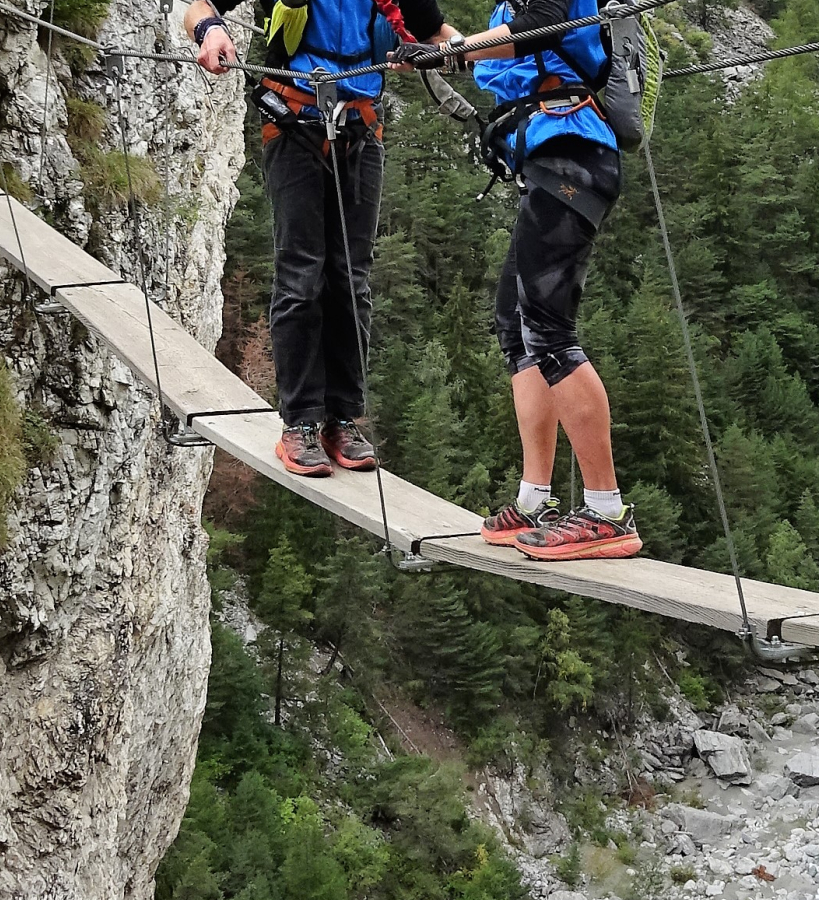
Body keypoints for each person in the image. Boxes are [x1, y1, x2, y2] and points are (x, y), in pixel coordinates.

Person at [391, 0, 642, 561]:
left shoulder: (545, 8)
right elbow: (499, 48)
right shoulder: (514, 9)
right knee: (516, 324)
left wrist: (448, 49)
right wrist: (438, 52)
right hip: (554, 164)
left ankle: (607, 511)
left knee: (549, 330)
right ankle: (535, 499)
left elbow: (535, 30)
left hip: (574, 158)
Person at [185, 0, 460, 477]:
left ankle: (341, 419)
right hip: (294, 124)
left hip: (359, 129)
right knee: (301, 276)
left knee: (352, 281)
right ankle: (300, 423)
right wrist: (209, 31)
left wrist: (460, 51)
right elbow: (198, 7)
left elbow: (438, 33)